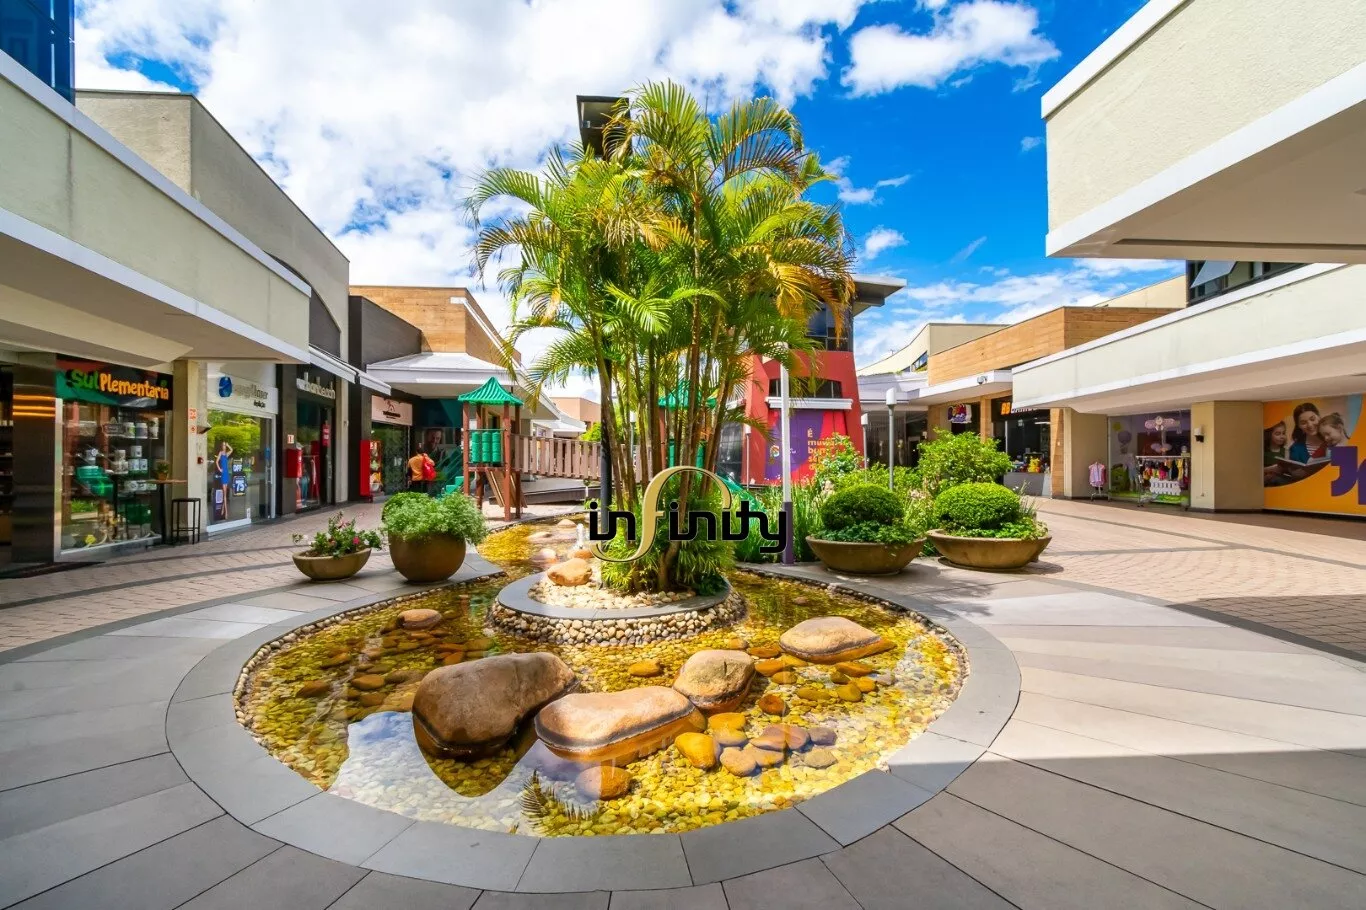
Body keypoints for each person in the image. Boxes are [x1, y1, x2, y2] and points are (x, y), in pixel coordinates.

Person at [214, 440, 233, 520]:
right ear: (221, 446)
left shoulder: (226, 454)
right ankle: (226, 512)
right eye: (223, 445)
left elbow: (231, 450)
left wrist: (228, 445)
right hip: (223, 473)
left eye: (225, 445)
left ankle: (222, 509)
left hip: (226, 474)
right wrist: (219, 469)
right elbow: (216, 461)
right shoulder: (220, 453)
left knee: (225, 493)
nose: (224, 446)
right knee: (224, 494)